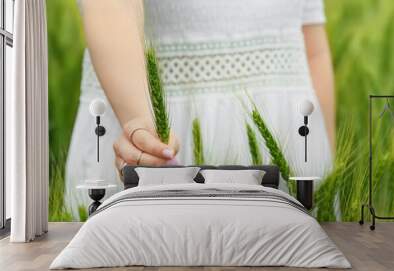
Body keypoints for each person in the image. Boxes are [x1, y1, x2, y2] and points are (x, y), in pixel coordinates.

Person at [66, 0, 335, 218]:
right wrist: (143, 129)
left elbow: (312, 44)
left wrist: (326, 166)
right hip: (154, 130)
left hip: (290, 138)